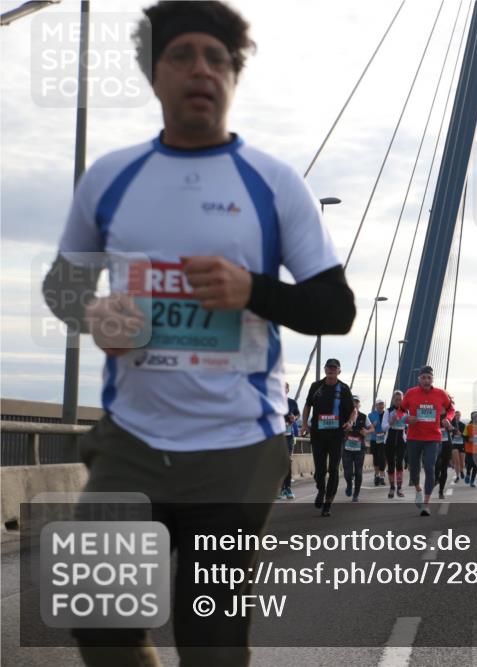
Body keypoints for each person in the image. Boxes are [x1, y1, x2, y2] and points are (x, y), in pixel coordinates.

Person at [40, 2, 356, 663]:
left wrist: (254, 290)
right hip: (131, 440)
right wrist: (94, 315)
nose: (201, 70)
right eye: (182, 55)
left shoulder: (273, 184)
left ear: (235, 77)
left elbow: (336, 308)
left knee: (209, 639)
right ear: (154, 74)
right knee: (99, 620)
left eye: (217, 58)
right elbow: (64, 286)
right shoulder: (112, 177)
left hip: (238, 446)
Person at [301, 359, 357, 516]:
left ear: (339, 371)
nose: (331, 370)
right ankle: (321, 489)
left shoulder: (344, 388)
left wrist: (351, 421)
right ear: (324, 369)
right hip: (318, 434)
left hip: (336, 436)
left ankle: (328, 503)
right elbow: (307, 406)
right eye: (329, 367)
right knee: (320, 470)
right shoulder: (315, 386)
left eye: (334, 368)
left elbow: (353, 410)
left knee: (333, 469)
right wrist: (304, 424)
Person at [400, 366, 454, 516]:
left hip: (433, 437)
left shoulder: (440, 394)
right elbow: (401, 410)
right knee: (414, 469)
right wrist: (406, 419)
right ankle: (418, 489)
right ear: (419, 379)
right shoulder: (411, 393)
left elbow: (451, 409)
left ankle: (426, 504)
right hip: (414, 437)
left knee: (430, 468)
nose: (426, 380)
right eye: (423, 377)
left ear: (432, 379)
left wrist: (448, 420)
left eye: (429, 378)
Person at [343, 396, 373, 502]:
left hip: (359, 448)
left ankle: (356, 494)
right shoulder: (345, 415)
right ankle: (349, 484)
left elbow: (371, 428)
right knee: (348, 472)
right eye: (353, 402)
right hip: (346, 448)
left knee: (359, 472)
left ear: (359, 404)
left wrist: (367, 432)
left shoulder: (364, 417)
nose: (354, 404)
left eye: (356, 402)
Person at [382, 390, 408, 499]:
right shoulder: (388, 411)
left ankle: (400, 488)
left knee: (400, 464)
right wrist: (391, 422)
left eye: (400, 400)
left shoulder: (407, 411)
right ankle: (392, 487)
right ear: (393, 400)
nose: (398, 402)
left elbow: (410, 426)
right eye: (396, 400)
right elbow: (383, 427)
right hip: (389, 439)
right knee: (391, 464)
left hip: (402, 440)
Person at [280, 382, 300, 499]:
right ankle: (279, 489)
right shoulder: (272, 401)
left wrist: (294, 418)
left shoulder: (292, 402)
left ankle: (287, 488)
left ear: (288, 389)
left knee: (287, 461)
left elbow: (297, 414)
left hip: (288, 436)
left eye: (284, 388)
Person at [436, 411, 455, 500]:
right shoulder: (433, 413)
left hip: (446, 445)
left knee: (444, 468)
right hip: (435, 444)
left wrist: (449, 426)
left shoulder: (449, 416)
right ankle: (436, 479)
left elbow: (454, 430)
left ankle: (441, 491)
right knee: (436, 466)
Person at [368, 399, 387, 487]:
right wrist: (373, 425)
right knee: (376, 457)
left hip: (384, 439)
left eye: (382, 404)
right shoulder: (371, 415)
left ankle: (382, 476)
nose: (381, 406)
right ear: (376, 405)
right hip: (374, 439)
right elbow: (369, 426)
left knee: (382, 457)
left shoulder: (387, 414)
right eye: (379, 404)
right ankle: (376, 475)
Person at [464, 412, 477, 487]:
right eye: (476, 417)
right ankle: (468, 474)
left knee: (476, 465)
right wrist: (470, 440)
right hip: (470, 449)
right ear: (473, 418)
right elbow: (465, 437)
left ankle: (472, 481)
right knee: (470, 464)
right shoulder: (468, 426)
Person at [450, 409, 466, 483]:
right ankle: (457, 476)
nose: (457, 416)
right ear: (454, 416)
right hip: (454, 444)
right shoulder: (451, 424)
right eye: (456, 415)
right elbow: (449, 432)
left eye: (458, 415)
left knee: (462, 462)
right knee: (456, 461)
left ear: (460, 416)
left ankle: (462, 470)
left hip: (461, 444)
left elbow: (466, 436)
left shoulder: (463, 425)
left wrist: (461, 434)